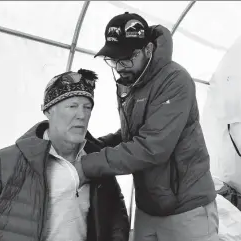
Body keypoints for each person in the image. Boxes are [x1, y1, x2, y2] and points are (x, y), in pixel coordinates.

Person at [0, 69, 130, 241]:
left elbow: (116, 227)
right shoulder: (4, 164)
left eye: (87, 107)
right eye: (72, 106)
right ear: (48, 111)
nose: (82, 115)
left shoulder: (99, 168)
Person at [74, 12, 219, 241]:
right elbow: (133, 134)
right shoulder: (130, 81)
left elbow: (152, 146)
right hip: (148, 207)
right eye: (114, 60)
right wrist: (97, 145)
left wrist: (86, 166)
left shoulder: (175, 80)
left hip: (187, 210)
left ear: (148, 50)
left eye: (126, 58)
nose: (120, 67)